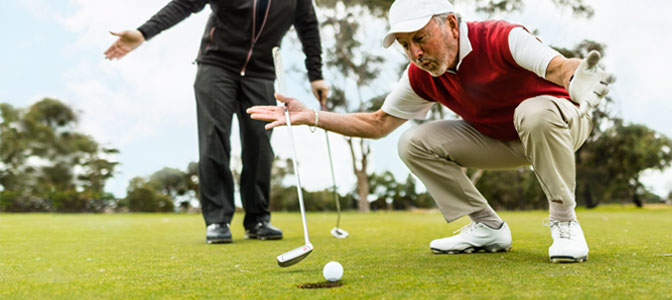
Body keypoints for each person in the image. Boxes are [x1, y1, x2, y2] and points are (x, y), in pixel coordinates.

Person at [248, 0, 615, 263]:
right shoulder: (421, 76)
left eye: (420, 38)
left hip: (561, 124)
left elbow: (558, 67)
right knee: (413, 141)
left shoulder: (502, 37)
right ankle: (487, 227)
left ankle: (565, 224)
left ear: (452, 25)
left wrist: (576, 76)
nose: (415, 52)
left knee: (532, 112)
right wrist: (312, 116)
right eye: (406, 45)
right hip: (504, 140)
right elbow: (378, 125)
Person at [104, 0, 329, 244]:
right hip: (217, 65)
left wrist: (316, 75)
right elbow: (184, 4)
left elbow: (308, 27)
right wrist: (143, 33)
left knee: (260, 143)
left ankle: (258, 219)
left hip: (260, 73)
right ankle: (217, 220)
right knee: (214, 139)